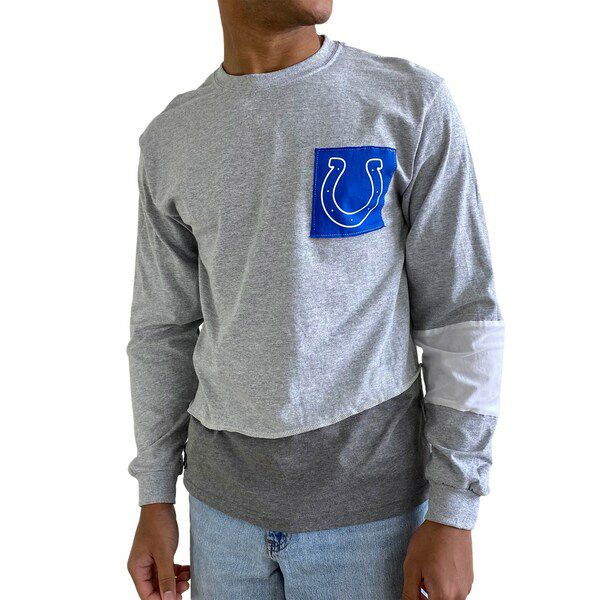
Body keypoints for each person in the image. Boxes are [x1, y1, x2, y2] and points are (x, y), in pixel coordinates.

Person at [126, 1, 504, 598]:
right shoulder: (173, 138)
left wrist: (455, 509)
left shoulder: (409, 103)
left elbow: (462, 314)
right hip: (220, 515)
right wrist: (155, 496)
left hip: (372, 518)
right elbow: (162, 330)